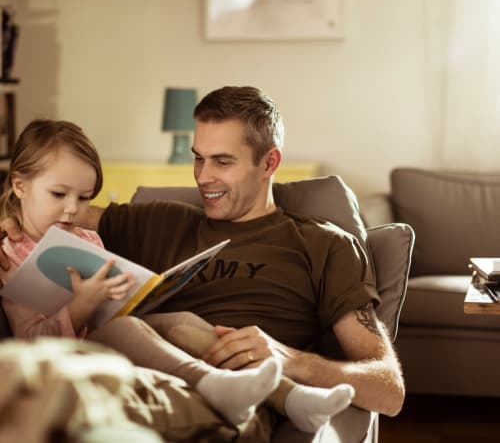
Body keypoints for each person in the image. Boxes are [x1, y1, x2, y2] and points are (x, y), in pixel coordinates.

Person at [0, 118, 357, 433]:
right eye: (60, 194)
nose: (73, 209)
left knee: (182, 319)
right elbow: (26, 347)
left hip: (126, 336)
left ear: (269, 163)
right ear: (19, 186)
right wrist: (80, 306)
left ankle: (293, 397)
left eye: (84, 197)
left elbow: (68, 216)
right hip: (81, 353)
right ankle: (218, 385)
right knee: (127, 329)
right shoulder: (10, 255)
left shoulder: (85, 236)